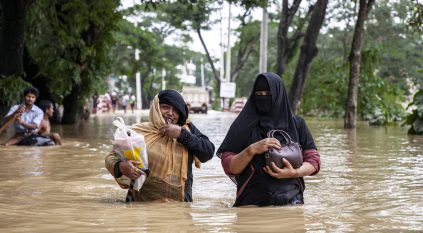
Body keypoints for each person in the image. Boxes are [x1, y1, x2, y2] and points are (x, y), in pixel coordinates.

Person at [217, 72, 320, 207]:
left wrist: (294, 172)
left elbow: (314, 162)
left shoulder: (297, 124)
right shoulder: (242, 126)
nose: (263, 98)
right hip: (251, 205)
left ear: (279, 94)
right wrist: (251, 150)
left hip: (293, 204)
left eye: (268, 94)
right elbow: (229, 167)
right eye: (259, 94)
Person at [105, 89, 215, 202]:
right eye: (165, 107)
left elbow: (208, 152)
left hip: (180, 209)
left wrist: (181, 135)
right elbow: (110, 158)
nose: (170, 113)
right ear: (156, 108)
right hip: (142, 208)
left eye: (176, 110)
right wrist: (121, 166)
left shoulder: (187, 130)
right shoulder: (137, 132)